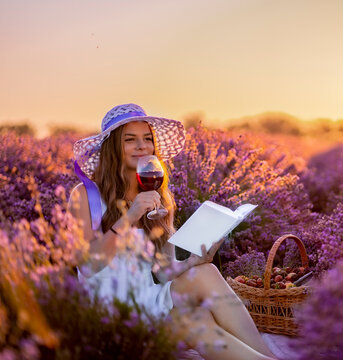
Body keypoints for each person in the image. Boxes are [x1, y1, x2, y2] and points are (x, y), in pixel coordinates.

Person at [68, 103, 276, 360]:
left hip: (150, 299)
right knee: (195, 321)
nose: (142, 146)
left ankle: (268, 356)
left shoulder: (154, 193)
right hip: (113, 314)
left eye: (147, 139)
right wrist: (130, 217)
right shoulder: (85, 195)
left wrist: (189, 263)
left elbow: (161, 270)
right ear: (112, 148)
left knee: (206, 273)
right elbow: (87, 265)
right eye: (130, 140)